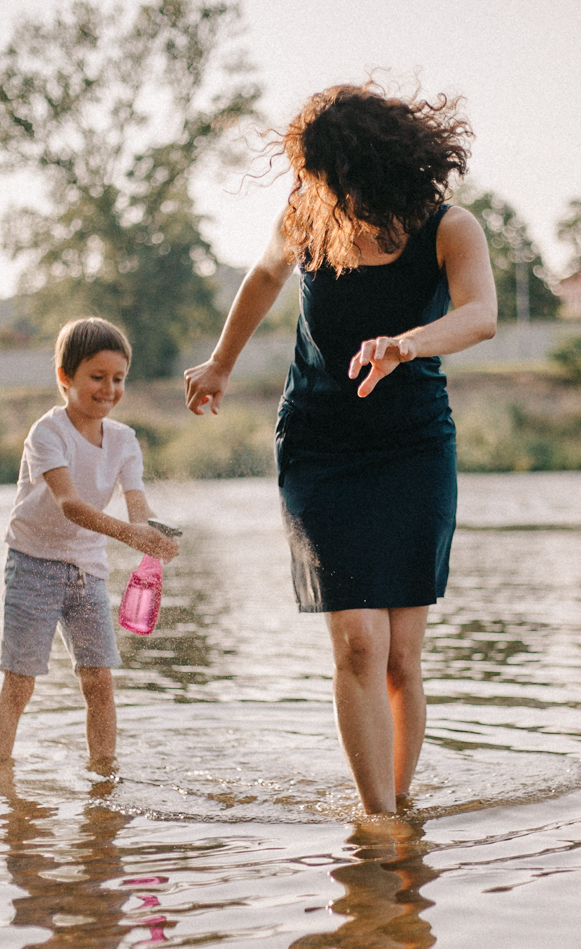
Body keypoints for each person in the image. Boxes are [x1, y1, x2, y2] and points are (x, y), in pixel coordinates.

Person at [184, 83, 497, 814]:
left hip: (413, 444)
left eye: (334, 178)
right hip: (320, 444)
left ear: (377, 169)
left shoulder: (451, 229)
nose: (322, 191)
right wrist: (222, 362)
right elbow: (264, 276)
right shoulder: (306, 218)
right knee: (358, 640)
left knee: (400, 659)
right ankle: (378, 819)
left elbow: (479, 315)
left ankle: (398, 811)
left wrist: (404, 344)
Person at [0, 317, 179, 766]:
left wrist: (155, 538)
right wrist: (132, 534)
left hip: (86, 569)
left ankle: (103, 778)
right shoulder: (47, 434)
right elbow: (70, 505)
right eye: (97, 377)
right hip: (32, 563)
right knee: (20, 684)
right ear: (65, 377)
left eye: (119, 378)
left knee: (98, 681)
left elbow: (137, 507)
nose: (109, 389)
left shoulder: (125, 440)